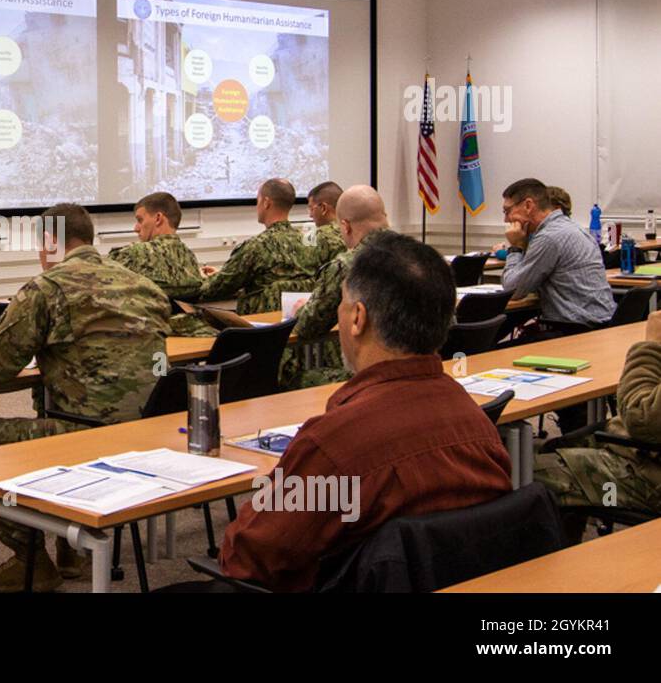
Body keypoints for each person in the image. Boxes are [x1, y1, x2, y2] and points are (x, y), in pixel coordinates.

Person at [217, 232, 512, 592]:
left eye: (341, 306)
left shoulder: (334, 443)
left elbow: (248, 560)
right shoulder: (476, 421)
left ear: (357, 318)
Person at [0, 203, 171, 592]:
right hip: (150, 438)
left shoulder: (48, 288)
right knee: (53, 401)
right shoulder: (145, 285)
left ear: (49, 241)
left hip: (85, 439)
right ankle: (71, 546)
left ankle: (33, 563)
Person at [535, 308, 661, 543]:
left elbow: (640, 417)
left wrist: (652, 346)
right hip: (635, 443)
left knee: (524, 472)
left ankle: (543, 574)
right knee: (558, 444)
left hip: (649, 472)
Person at [279, 185, 391, 389]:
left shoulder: (347, 265)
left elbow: (308, 326)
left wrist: (302, 308)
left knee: (292, 378)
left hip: (373, 376)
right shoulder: (420, 257)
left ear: (346, 226)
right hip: (422, 372)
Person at [495, 178, 615, 337]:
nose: (506, 220)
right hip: (600, 324)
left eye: (507, 211)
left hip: (575, 331)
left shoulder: (549, 237)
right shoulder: (571, 228)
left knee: (496, 352)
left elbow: (513, 290)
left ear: (528, 205)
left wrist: (515, 247)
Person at [197, 178, 318, 315]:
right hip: (301, 320)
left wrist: (202, 278)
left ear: (266, 203)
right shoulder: (309, 242)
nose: (257, 206)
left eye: (257, 201)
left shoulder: (256, 246)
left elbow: (218, 287)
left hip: (263, 326)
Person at [107, 191, 203, 300]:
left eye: (140, 220)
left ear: (158, 218)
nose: (136, 228)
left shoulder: (132, 255)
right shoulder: (190, 258)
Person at [306, 180, 345, 268]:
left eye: (311, 209)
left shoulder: (319, 236)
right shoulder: (352, 230)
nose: (310, 215)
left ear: (323, 208)